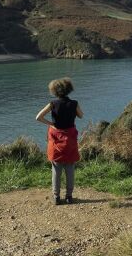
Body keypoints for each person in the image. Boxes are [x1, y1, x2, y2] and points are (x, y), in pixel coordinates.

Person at [35, 77, 83, 205]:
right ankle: (69, 197)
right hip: (70, 140)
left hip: (56, 139)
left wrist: (51, 124)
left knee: (56, 168)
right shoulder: (74, 103)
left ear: (54, 91)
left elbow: (38, 117)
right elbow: (81, 115)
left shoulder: (52, 104)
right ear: (69, 89)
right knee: (70, 168)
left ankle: (56, 197)